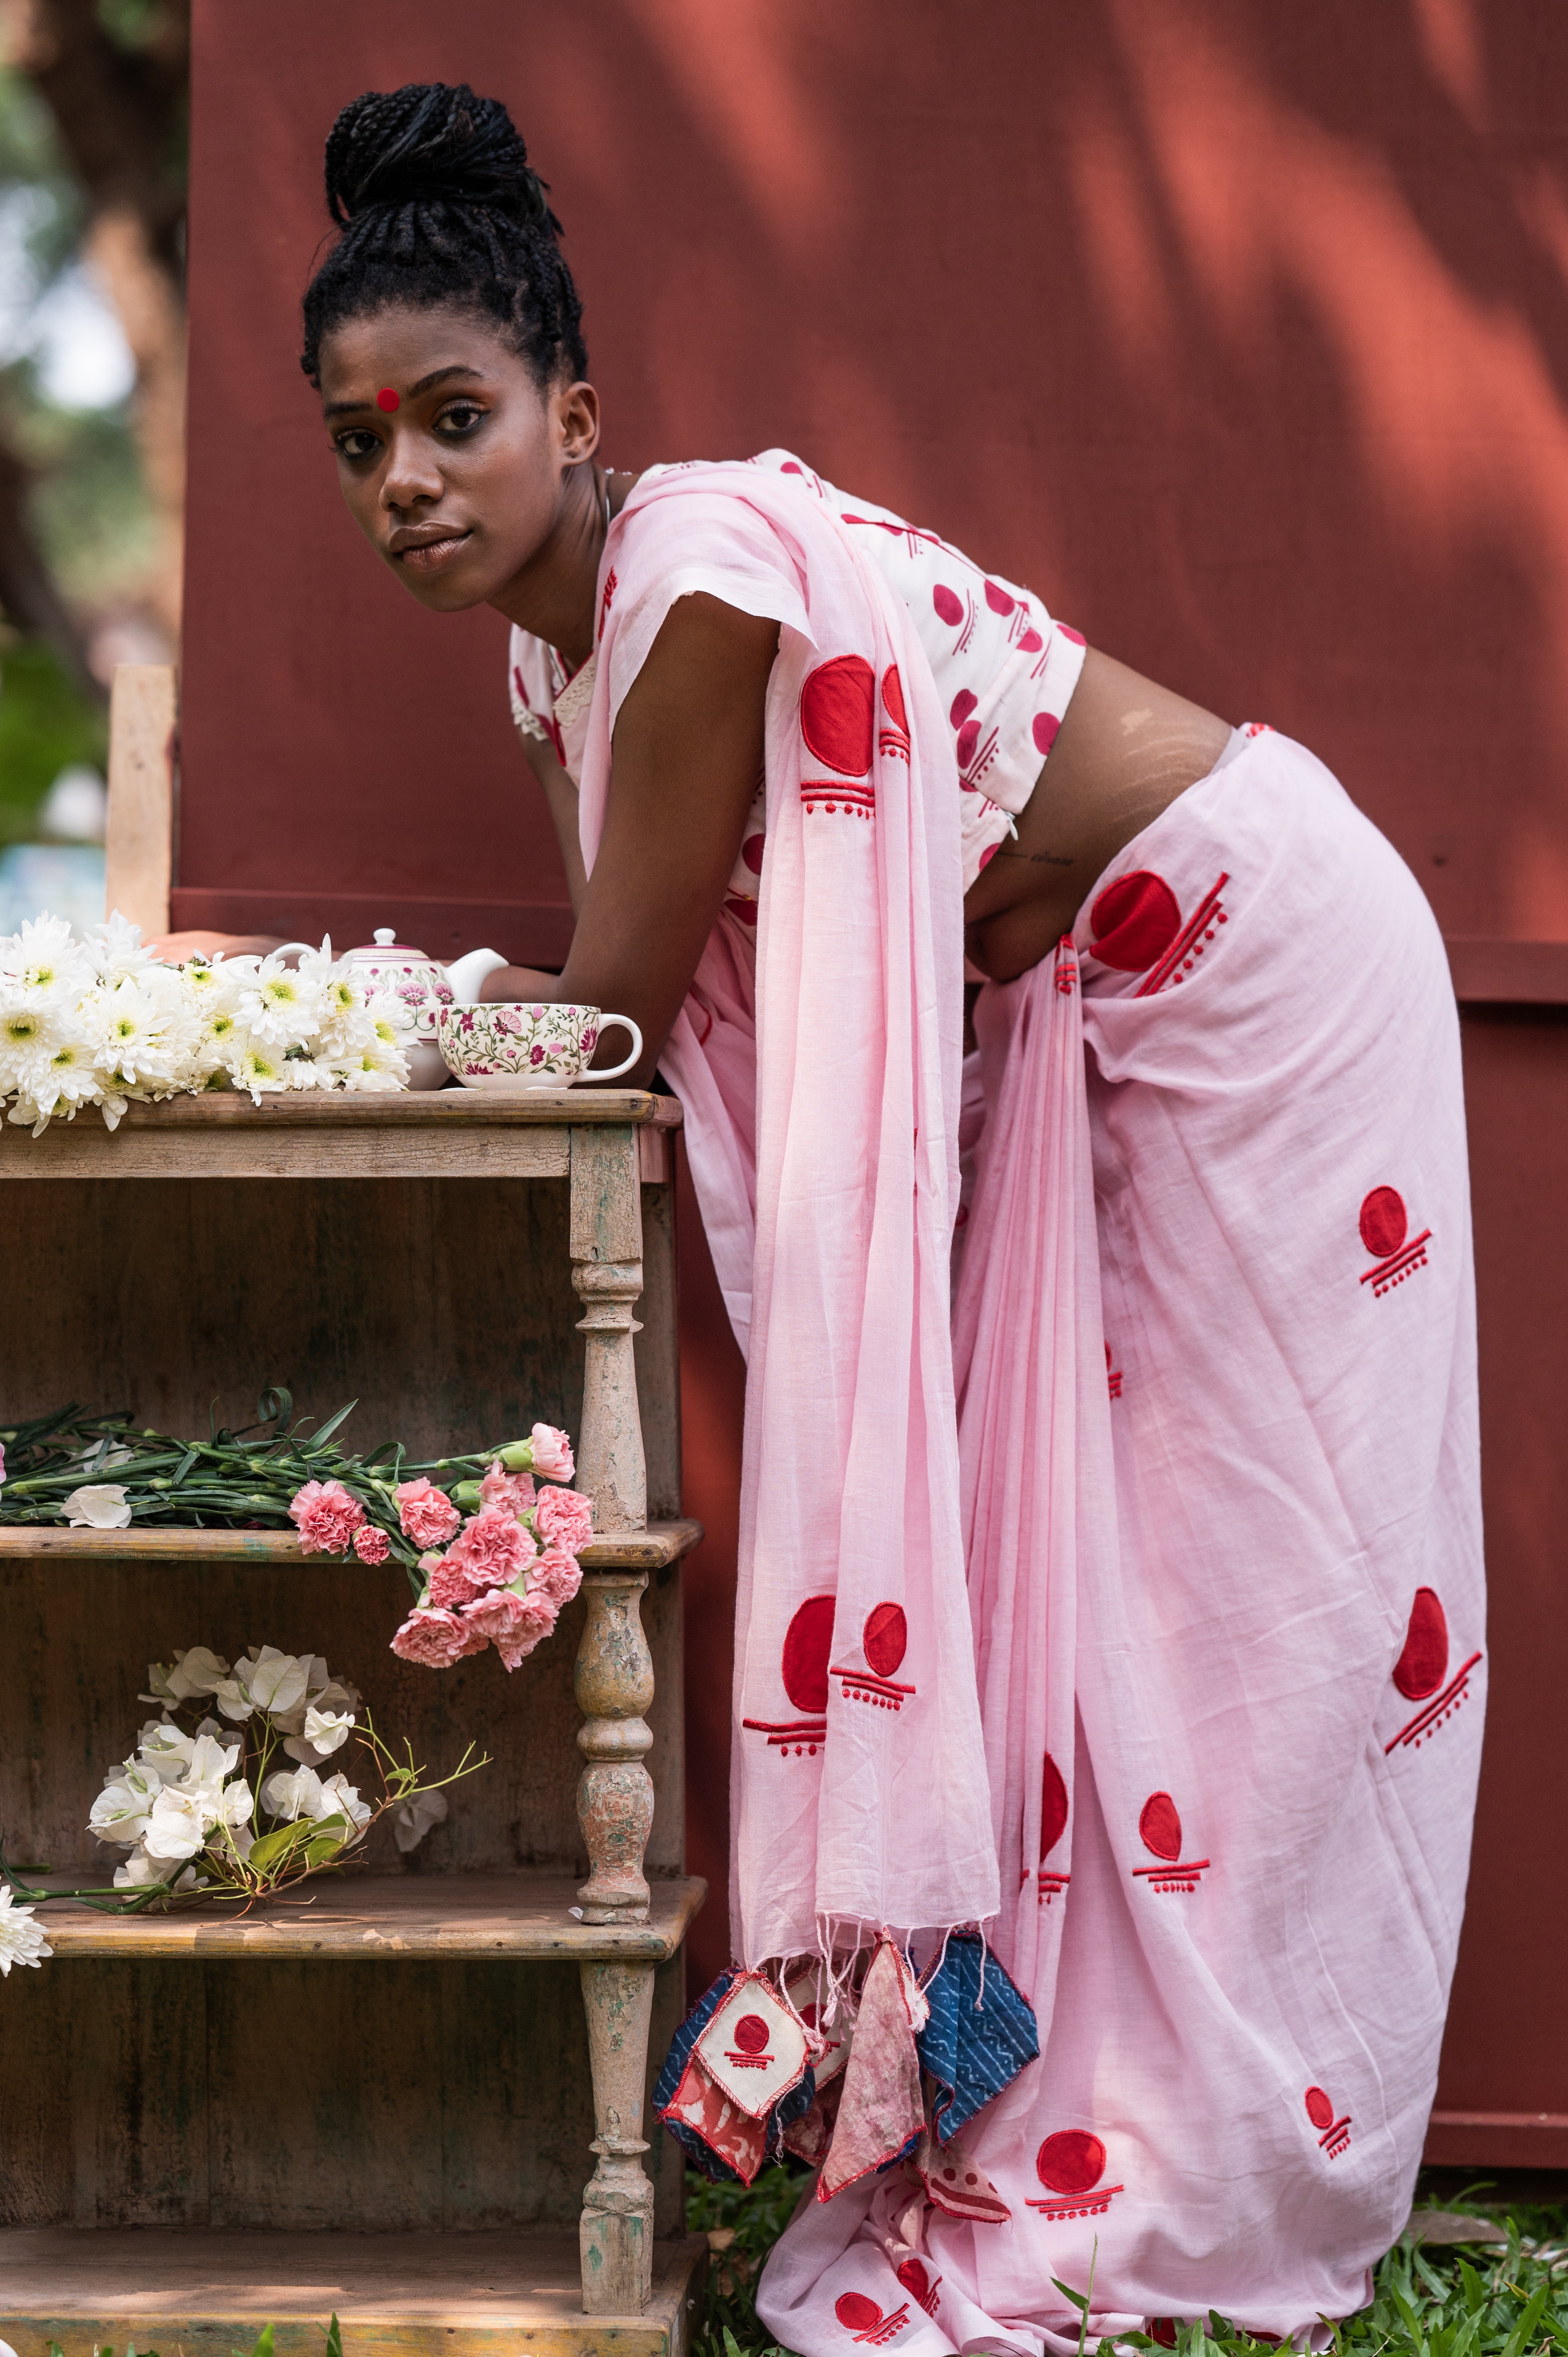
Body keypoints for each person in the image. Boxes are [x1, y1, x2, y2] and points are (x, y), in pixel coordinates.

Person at [176, 82, 1484, 2355]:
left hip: (1253, 960)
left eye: (451, 418)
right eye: (353, 441)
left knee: (1259, 1574)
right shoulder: (548, 659)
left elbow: (601, 1005)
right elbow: (654, 999)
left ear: (573, 412)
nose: (400, 479)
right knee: (1104, 1584)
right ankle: (1064, 2108)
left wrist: (361, 1024)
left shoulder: (692, 576)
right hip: (1077, 1002)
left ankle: (1262, 2133)